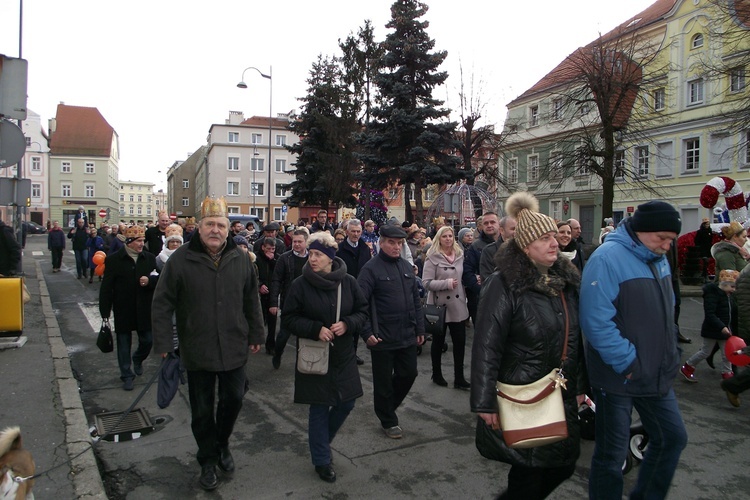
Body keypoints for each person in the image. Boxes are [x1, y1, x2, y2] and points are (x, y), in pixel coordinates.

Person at [471, 191, 583, 500]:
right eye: (545, 237)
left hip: (559, 391)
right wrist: (484, 402)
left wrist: (580, 385)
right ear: (525, 245)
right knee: (530, 472)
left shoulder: (564, 281)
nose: (554, 242)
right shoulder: (503, 283)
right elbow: (486, 346)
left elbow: (575, 337)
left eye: (554, 236)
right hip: (524, 394)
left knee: (562, 464)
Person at [152, 196, 265, 491]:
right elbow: (162, 303)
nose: (215, 230)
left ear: (228, 229)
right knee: (202, 410)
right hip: (197, 347)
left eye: (221, 225)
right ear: (199, 227)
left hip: (233, 345)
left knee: (234, 400)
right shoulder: (180, 260)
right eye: (210, 224)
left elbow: (251, 299)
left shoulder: (241, 258)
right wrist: (164, 341)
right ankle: (207, 460)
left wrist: (256, 333)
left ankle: (223, 443)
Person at [580, 200, 688, 500]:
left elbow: (667, 313)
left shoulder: (657, 257)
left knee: (672, 438)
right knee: (611, 455)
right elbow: (595, 321)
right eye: (662, 238)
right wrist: (629, 363)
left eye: (671, 240)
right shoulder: (606, 259)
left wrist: (670, 354)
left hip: (655, 372)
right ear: (641, 231)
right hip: (619, 377)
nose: (667, 246)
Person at [281, 231, 369, 483]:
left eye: (318, 254)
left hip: (342, 354)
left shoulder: (349, 282)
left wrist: (348, 324)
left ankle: (319, 442)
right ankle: (321, 459)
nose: (312, 259)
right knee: (319, 407)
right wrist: (314, 329)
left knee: (347, 402)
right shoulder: (300, 284)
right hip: (314, 355)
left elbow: (362, 311)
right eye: (310, 254)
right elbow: (288, 318)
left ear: (331, 257)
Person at [358, 224, 425, 439]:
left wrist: (420, 328)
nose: (396, 247)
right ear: (381, 242)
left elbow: (416, 301)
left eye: (399, 243)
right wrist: (367, 332)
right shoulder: (370, 269)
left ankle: (387, 407)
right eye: (391, 243)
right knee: (383, 381)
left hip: (406, 333)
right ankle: (388, 419)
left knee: (409, 373)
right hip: (382, 336)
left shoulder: (406, 267)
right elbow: (360, 304)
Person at [99, 225, 158, 391]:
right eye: (139, 241)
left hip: (145, 308)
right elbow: (106, 288)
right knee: (123, 344)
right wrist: (105, 312)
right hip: (123, 308)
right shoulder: (114, 260)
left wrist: (150, 281)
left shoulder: (150, 258)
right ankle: (126, 375)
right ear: (130, 242)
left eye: (143, 241)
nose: (142, 244)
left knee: (148, 340)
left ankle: (138, 359)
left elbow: (160, 279)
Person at [422, 226, 470, 389]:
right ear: (439, 239)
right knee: (438, 342)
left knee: (460, 343)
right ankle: (436, 374)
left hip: (457, 305)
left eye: (450, 236)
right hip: (439, 306)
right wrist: (446, 283)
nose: (448, 239)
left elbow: (464, 277)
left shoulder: (460, 255)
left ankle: (459, 378)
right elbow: (426, 283)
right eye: (445, 236)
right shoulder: (432, 257)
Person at [680, 269, 739, 382]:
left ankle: (727, 373)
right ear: (724, 284)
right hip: (714, 329)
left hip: (723, 329)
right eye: (732, 287)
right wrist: (722, 327)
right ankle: (689, 366)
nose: (734, 290)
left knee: (726, 353)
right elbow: (710, 314)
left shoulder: (727, 295)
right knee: (706, 352)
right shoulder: (713, 295)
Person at [270, 229, 310, 368]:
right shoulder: (284, 258)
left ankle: (303, 363)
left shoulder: (312, 258)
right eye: (294, 241)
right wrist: (274, 302)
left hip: (307, 303)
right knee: (283, 334)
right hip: (289, 301)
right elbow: (276, 280)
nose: (297, 244)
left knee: (305, 335)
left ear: (306, 242)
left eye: (300, 242)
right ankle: (278, 354)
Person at [336, 218, 372, 366]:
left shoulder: (364, 248)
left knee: (357, 323)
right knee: (343, 323)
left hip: (360, 291)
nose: (355, 234)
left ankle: (353, 353)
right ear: (347, 232)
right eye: (353, 231)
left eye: (358, 231)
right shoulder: (339, 249)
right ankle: (341, 353)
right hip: (343, 290)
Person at [463, 212, 499, 325]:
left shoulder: (507, 244)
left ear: (499, 224)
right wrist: (481, 288)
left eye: (492, 222)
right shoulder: (475, 246)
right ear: (481, 226)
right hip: (481, 299)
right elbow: (467, 272)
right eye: (486, 223)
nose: (489, 225)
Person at [256, 237, 279, 355]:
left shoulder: (277, 258)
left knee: (272, 321)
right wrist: (259, 285)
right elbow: (252, 275)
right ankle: (255, 341)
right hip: (259, 294)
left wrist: (272, 260)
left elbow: (279, 274)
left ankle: (271, 345)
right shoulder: (256, 258)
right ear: (263, 247)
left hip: (272, 293)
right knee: (259, 320)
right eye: (268, 249)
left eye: (273, 249)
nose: (271, 251)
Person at [479, 215, 517, 283]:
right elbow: (488, 280)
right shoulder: (489, 251)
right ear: (502, 230)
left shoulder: (527, 249)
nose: (517, 232)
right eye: (513, 229)